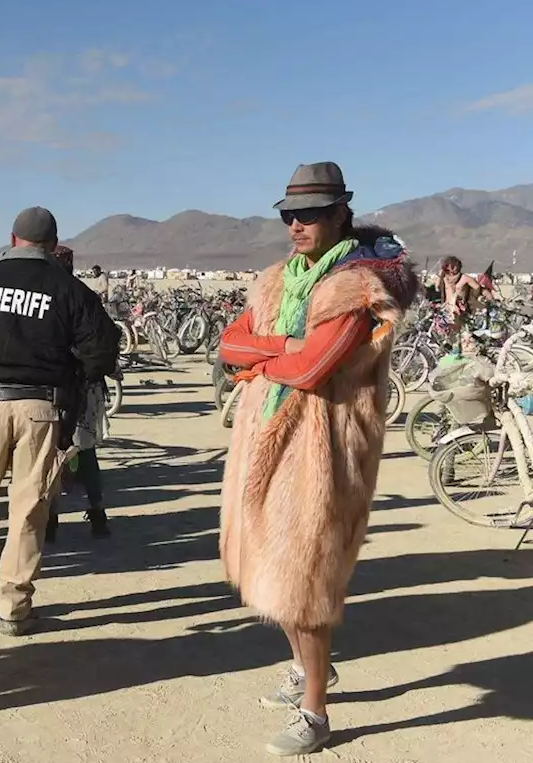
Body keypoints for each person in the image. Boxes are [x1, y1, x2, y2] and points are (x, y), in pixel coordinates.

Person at [219, 162, 416, 756]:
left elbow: (314, 368)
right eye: (289, 215)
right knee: (272, 569)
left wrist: (265, 359)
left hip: (322, 449)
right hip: (269, 439)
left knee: (306, 580)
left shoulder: (357, 286)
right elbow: (230, 344)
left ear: (340, 215)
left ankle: (316, 712)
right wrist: (278, 350)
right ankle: (311, 674)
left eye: (309, 214)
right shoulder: (278, 280)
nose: (297, 224)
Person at [0, 207, 118, 636]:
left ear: (12, 239)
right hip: (42, 409)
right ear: (53, 245)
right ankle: (13, 608)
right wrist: (74, 378)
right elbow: (102, 351)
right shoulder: (68, 289)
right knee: (27, 510)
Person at [46, 245, 111, 541]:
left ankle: (51, 521)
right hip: (83, 388)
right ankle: (97, 514)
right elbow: (108, 339)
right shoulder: (84, 295)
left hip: (55, 388)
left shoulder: (47, 297)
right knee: (84, 452)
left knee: (51, 453)